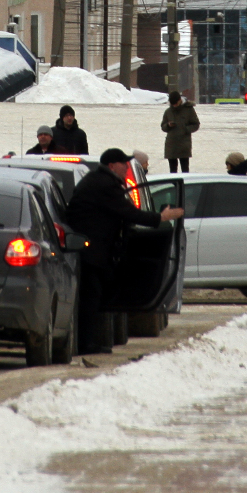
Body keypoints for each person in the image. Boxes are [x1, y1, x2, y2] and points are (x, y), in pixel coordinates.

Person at [63, 147, 185, 354]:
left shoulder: (99, 181)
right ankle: (85, 344)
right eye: (124, 165)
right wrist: (161, 218)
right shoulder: (104, 185)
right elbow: (128, 212)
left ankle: (89, 341)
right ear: (112, 165)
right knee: (90, 299)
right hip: (90, 251)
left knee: (95, 297)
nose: (127, 169)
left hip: (92, 249)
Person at [158, 91, 200, 172]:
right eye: (172, 104)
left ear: (180, 100)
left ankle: (184, 184)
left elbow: (196, 124)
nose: (174, 106)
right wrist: (168, 125)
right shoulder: (168, 111)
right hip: (171, 145)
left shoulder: (189, 109)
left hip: (184, 145)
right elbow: (163, 127)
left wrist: (186, 129)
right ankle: (174, 184)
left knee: (185, 170)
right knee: (173, 171)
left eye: (176, 104)